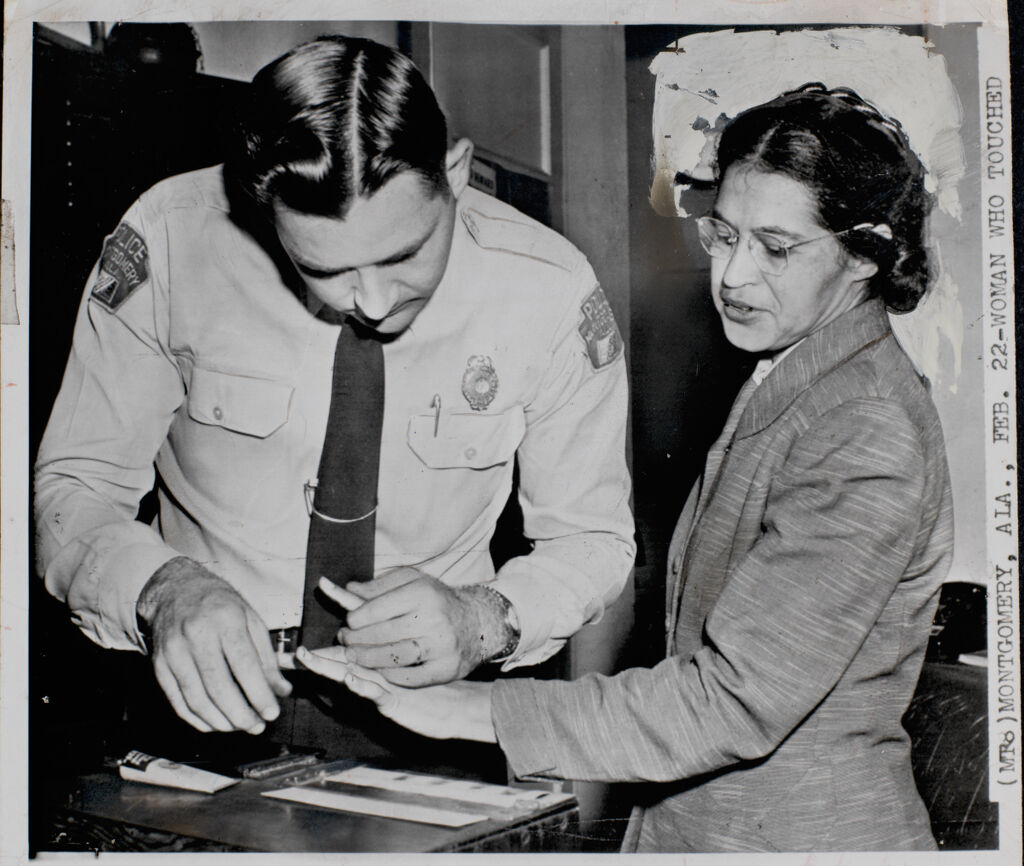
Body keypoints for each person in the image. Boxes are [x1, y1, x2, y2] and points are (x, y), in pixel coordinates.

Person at [299, 83, 954, 851]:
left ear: (864, 256)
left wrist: (468, 709)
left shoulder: (863, 424)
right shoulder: (804, 375)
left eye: (775, 248)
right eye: (724, 235)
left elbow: (734, 701)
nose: (733, 276)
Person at [34, 35, 635, 753]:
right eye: (325, 269)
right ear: (264, 213)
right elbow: (73, 489)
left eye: (406, 253)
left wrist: (484, 619)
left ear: (457, 172)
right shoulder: (170, 240)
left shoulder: (550, 288)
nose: (374, 303)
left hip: (437, 711)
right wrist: (162, 590)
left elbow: (593, 539)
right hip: (201, 702)